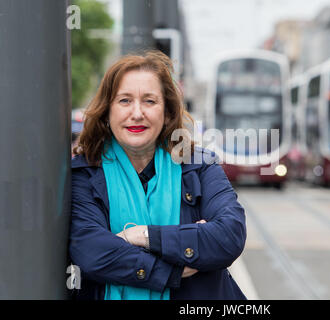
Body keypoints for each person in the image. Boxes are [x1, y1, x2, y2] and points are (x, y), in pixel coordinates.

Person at [70, 50, 247, 300]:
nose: (137, 113)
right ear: (107, 112)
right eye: (124, 101)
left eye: (150, 101)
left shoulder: (200, 165)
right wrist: (172, 269)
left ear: (166, 114)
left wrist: (142, 236)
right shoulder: (83, 173)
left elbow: (229, 236)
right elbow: (92, 252)